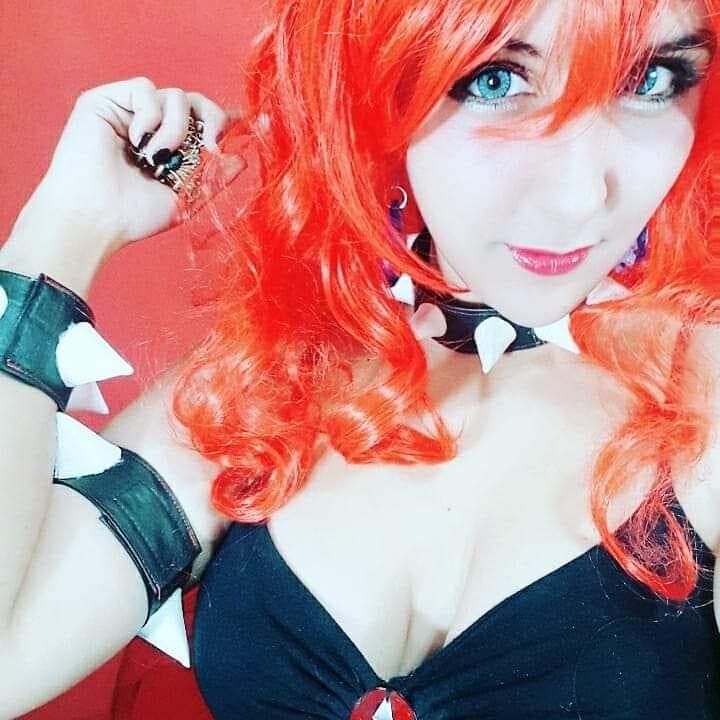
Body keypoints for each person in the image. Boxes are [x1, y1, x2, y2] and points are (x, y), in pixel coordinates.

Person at [1, 0, 719, 718]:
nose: (577, 196)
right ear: (375, 88)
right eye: (493, 80)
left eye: (651, 79)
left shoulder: (707, 396)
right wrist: (64, 228)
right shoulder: (267, 382)